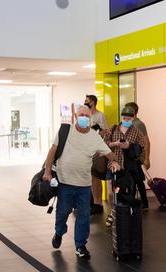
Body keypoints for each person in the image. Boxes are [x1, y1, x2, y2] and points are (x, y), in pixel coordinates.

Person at [43, 104, 119, 258]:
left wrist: (115, 162)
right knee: (63, 213)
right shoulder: (65, 131)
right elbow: (52, 151)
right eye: (81, 115)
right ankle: (59, 232)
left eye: (87, 116)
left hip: (84, 184)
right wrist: (47, 171)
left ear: (90, 119)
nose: (84, 118)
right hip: (64, 182)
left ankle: (80, 245)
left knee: (83, 216)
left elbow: (109, 153)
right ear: (76, 117)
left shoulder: (94, 136)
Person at [103, 105, 147, 227]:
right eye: (124, 118)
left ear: (133, 118)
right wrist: (115, 143)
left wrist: (129, 146)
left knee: (129, 192)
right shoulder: (113, 129)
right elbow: (104, 144)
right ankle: (114, 212)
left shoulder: (136, 131)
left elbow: (142, 146)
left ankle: (122, 214)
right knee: (115, 191)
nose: (126, 120)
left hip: (129, 167)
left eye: (129, 118)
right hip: (114, 165)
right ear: (121, 117)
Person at [85, 94, 109, 215]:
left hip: (97, 149)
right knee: (89, 177)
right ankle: (93, 201)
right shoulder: (86, 116)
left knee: (96, 176)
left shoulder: (100, 115)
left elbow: (106, 131)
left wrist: (96, 132)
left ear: (93, 102)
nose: (85, 102)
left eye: (87, 101)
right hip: (87, 149)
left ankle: (98, 202)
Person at [125, 102, 150, 209]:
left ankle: (143, 203)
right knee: (135, 180)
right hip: (131, 157)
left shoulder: (139, 124)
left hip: (136, 157)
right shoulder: (129, 123)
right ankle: (138, 203)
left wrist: (147, 158)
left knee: (138, 180)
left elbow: (146, 141)